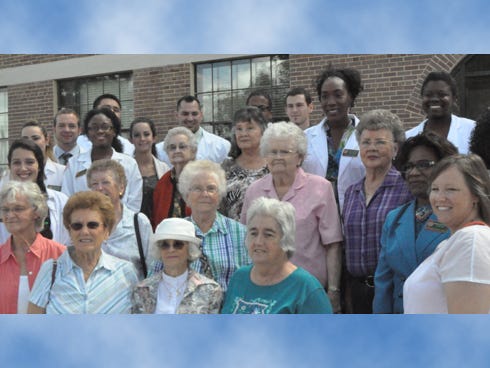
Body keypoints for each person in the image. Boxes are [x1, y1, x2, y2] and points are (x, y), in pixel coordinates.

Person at [240, 122, 343, 312]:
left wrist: (333, 290)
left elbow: (333, 244)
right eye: (272, 152)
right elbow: (246, 240)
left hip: (307, 289)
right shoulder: (254, 191)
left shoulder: (321, 188)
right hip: (263, 288)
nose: (278, 157)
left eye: (285, 152)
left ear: (300, 157)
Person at [373, 132, 458, 313]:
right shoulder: (394, 218)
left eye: (424, 165)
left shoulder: (459, 216)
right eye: (409, 166)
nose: (413, 172)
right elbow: (383, 283)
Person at [343, 109, 412, 313]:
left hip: (393, 289)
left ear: (395, 149)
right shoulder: (351, 192)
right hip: (356, 290)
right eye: (366, 142)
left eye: (380, 142)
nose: (372, 148)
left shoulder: (406, 188)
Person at [404, 154, 490, 314]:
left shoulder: (472, 241)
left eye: (451, 189)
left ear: (475, 195)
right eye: (435, 189)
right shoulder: (452, 243)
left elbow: (466, 327)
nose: (440, 198)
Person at [28, 191, 138, 314]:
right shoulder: (50, 271)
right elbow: (32, 324)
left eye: (92, 225)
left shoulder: (126, 272)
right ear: (69, 231)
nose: (84, 231)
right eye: (77, 226)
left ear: (106, 230)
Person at [222, 197, 332, 314]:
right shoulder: (239, 277)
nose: (258, 242)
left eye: (268, 235)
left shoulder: (306, 289)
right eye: (253, 233)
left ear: (286, 238)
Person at [176, 160, 249, 291]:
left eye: (211, 188)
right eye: (197, 188)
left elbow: (252, 278)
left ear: (220, 195)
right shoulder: (175, 233)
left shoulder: (241, 233)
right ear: (186, 196)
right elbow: (157, 278)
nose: (205, 194)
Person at [302, 66, 365, 211]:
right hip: (315, 216)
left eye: (338, 95)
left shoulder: (367, 136)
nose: (331, 102)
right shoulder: (305, 137)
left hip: (356, 215)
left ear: (351, 97)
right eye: (325, 96)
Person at [132, 218, 223, 314]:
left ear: (189, 249)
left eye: (178, 244)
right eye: (165, 245)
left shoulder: (211, 290)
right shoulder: (142, 290)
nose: (171, 250)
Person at [0, 181, 65, 314]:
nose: (10, 215)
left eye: (18, 209)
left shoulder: (60, 254)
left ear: (36, 212)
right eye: (5, 210)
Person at [62, 108, 143, 212]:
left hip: (121, 225)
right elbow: (67, 199)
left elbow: (134, 203)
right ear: (87, 133)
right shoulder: (74, 164)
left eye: (105, 127)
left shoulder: (129, 164)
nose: (100, 131)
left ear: (114, 131)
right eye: (94, 128)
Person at [87, 159, 152, 280]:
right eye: (94, 184)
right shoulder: (83, 225)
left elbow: (153, 267)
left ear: (121, 187)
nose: (100, 188)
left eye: (106, 182)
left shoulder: (139, 223)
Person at [0, 139, 70, 245]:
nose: (23, 168)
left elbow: (68, 240)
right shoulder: (2, 202)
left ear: (40, 166)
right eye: (17, 163)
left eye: (29, 162)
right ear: (10, 167)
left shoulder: (61, 201)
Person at [406, 71, 475, 154]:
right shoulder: (409, 137)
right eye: (428, 95)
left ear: (454, 99)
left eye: (442, 94)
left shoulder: (472, 129)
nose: (434, 99)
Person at [220, 106, 269, 221]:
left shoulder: (273, 166)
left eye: (250, 128)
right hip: (232, 234)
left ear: (263, 132)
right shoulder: (225, 168)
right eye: (239, 129)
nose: (243, 134)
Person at [155, 96, 231, 165]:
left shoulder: (222, 146)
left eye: (194, 114)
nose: (190, 119)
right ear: (177, 115)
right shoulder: (160, 151)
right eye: (185, 114)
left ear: (201, 115)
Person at [152, 127, 196, 228]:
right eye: (172, 147)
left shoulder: (203, 179)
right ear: (167, 153)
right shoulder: (162, 183)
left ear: (193, 151)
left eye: (182, 146)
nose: (177, 151)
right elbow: (156, 219)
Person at [129, 117, 169, 220]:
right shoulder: (125, 168)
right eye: (137, 135)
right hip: (132, 225)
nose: (142, 139)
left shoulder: (164, 169)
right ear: (131, 140)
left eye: (146, 134)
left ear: (154, 138)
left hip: (158, 225)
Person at [21, 121, 65, 191]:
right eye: (25, 139)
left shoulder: (63, 172)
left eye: (35, 138)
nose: (30, 143)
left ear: (47, 140)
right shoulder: (12, 174)